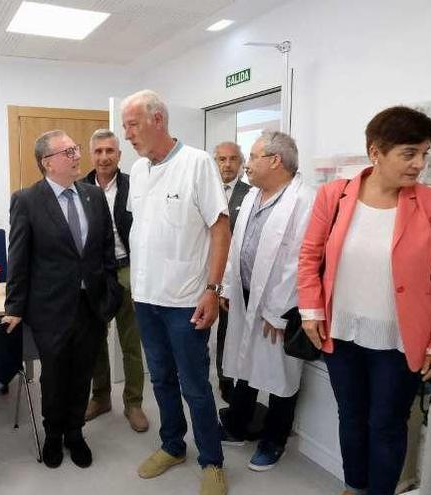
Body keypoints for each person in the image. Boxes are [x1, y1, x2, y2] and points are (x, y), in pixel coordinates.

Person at [298, 106, 431, 495]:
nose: (419, 164)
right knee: (351, 417)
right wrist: (311, 311)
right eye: (409, 153)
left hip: (399, 340)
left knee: (387, 423)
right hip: (342, 333)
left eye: (424, 154)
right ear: (376, 153)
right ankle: (355, 486)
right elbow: (309, 255)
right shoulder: (333, 196)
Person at [122, 90, 231, 495]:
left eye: (133, 125)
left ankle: (212, 461)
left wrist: (212, 289)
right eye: (126, 126)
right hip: (146, 298)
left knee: (195, 385)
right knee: (161, 379)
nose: (128, 135)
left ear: (158, 120)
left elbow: (220, 228)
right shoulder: (139, 170)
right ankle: (172, 446)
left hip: (186, 301)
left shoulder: (197, 163)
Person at [2, 130, 122, 470]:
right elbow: (19, 257)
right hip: (50, 308)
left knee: (82, 371)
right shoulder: (27, 200)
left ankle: (75, 432)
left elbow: (104, 250)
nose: (76, 156)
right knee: (54, 376)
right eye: (67, 151)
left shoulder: (93, 196)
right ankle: (53, 434)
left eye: (75, 149)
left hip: (90, 306)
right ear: (47, 162)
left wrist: (110, 291)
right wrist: (14, 307)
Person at [218, 131, 314, 472]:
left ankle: (275, 440)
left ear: (276, 160)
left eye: (254, 156)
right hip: (246, 296)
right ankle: (238, 426)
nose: (247, 163)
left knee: (280, 376)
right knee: (243, 365)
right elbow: (236, 246)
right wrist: (229, 287)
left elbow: (300, 261)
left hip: (281, 306)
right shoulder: (253, 197)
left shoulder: (304, 201)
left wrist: (279, 312)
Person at [80, 128, 149, 433]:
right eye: (98, 151)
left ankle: (133, 402)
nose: (104, 157)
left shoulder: (135, 187)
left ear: (119, 155)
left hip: (128, 269)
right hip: (96, 274)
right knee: (95, 341)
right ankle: (101, 396)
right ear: (91, 154)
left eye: (110, 151)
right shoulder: (78, 188)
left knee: (131, 343)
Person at [213, 141, 251, 404]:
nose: (227, 165)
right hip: (203, 273)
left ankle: (227, 381)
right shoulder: (203, 190)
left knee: (228, 330)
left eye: (233, 159)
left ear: (241, 163)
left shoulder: (251, 194)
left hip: (233, 278)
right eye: (221, 159)